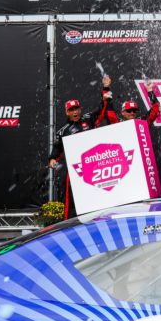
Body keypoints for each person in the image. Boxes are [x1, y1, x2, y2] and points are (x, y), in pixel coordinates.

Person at [48, 75, 112, 219]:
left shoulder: (89, 119)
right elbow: (57, 149)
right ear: (67, 112)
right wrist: (52, 159)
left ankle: (98, 219)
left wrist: (106, 87)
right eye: (72, 110)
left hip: (94, 165)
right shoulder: (63, 130)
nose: (75, 112)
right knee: (69, 197)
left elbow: (103, 108)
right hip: (75, 169)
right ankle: (68, 223)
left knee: (97, 193)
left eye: (77, 108)